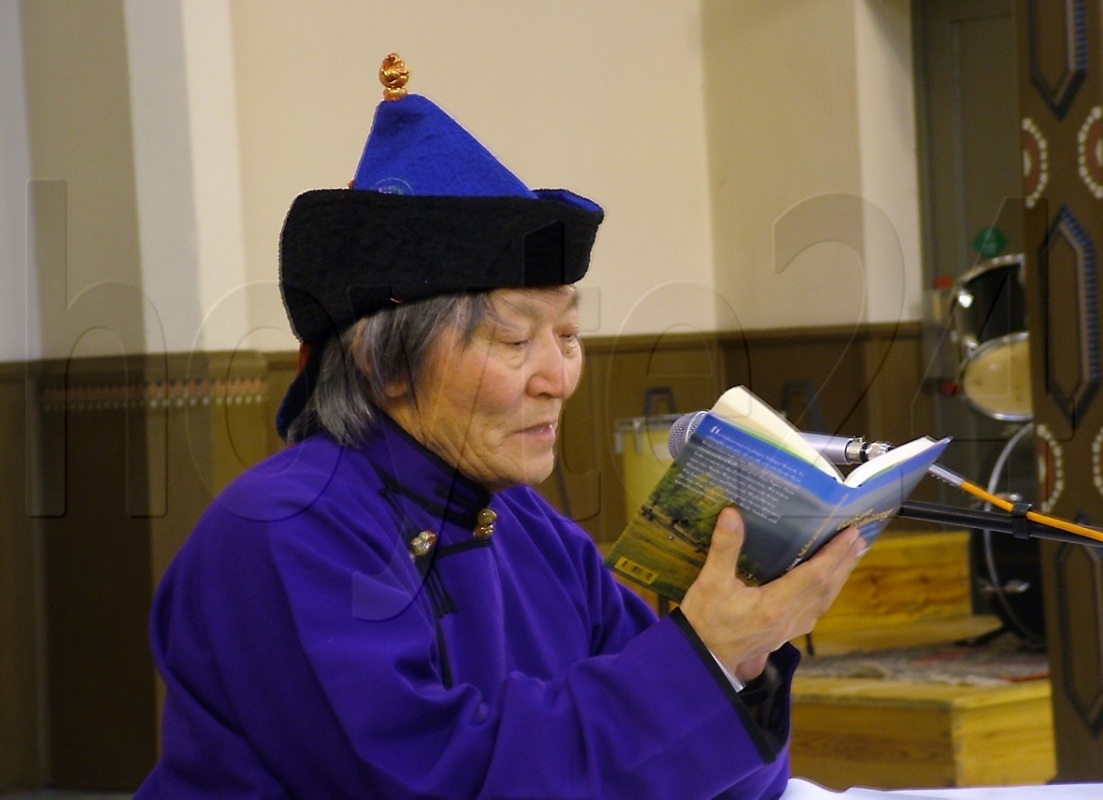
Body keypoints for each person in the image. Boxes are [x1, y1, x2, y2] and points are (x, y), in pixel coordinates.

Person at [136, 54, 863, 799]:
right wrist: (699, 661)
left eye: (569, 337)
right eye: (515, 343)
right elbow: (435, 782)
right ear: (387, 364)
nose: (559, 378)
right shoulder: (284, 530)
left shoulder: (529, 529)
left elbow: (728, 785)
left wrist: (741, 653)